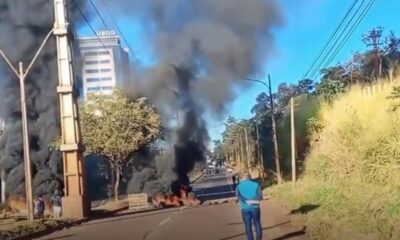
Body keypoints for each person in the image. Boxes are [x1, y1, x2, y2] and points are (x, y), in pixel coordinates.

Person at [236, 172, 263, 240]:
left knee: (248, 226)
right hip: (255, 207)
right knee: (257, 224)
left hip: (245, 208)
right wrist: (253, 200)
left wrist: (246, 201)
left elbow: (238, 196)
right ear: (250, 177)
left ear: (243, 178)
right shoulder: (256, 184)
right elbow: (259, 196)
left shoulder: (239, 186)